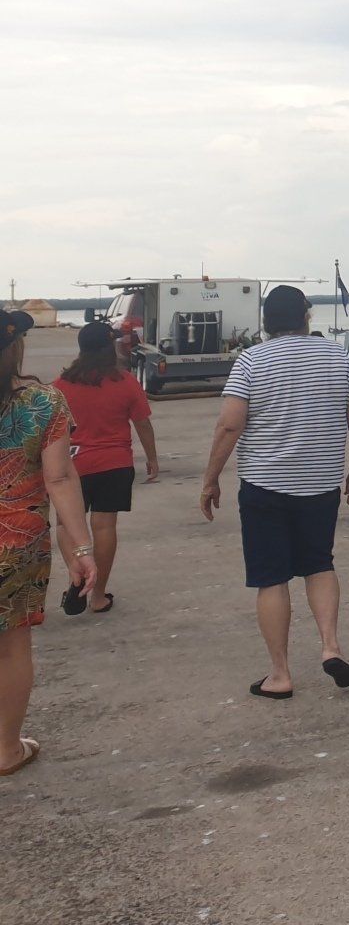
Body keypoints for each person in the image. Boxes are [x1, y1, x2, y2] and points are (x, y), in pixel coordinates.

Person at [199, 286, 349, 699]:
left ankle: (280, 674)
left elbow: (229, 425)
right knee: (319, 563)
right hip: (320, 483)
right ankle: (331, 647)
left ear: (266, 321)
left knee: (271, 577)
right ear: (306, 316)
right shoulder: (339, 356)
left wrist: (210, 477)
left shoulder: (252, 360)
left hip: (265, 484)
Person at [0, 309, 99, 775]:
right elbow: (59, 477)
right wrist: (81, 549)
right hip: (15, 543)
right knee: (11, 647)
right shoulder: (43, 403)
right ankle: (6, 750)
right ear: (15, 346)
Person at [53, 321, 158, 615]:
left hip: (73, 465)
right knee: (104, 525)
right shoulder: (124, 381)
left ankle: (77, 574)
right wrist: (152, 457)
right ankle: (97, 596)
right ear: (109, 346)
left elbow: (50, 430)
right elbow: (142, 423)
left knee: (65, 525)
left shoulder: (60, 386)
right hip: (115, 463)